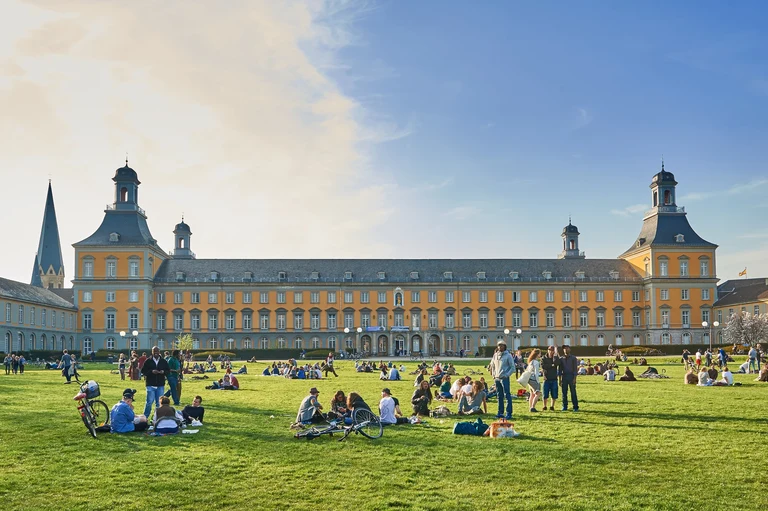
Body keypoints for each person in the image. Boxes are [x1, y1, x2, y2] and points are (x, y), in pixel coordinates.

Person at [140, 346, 170, 417]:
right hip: (150, 384)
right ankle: (145, 417)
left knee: (159, 403)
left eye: (157, 351)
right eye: (154, 351)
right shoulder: (148, 361)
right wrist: (151, 371)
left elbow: (168, 370)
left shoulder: (163, 361)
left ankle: (157, 417)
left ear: (159, 352)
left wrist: (163, 372)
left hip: (160, 384)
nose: (156, 353)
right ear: (152, 352)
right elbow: (143, 371)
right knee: (149, 402)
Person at [490, 340, 514, 419]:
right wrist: (493, 374)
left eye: (502, 345)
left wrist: (507, 375)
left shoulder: (508, 356)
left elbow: (512, 367)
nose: (500, 347)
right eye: (499, 345)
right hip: (497, 378)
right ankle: (500, 412)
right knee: (499, 396)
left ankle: (508, 413)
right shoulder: (495, 355)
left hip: (504, 378)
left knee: (507, 395)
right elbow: (492, 365)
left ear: (505, 346)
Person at [559, 345, 579, 412]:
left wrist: (574, 378)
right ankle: (564, 406)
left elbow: (575, 369)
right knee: (564, 392)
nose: (566, 350)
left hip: (571, 376)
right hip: (564, 376)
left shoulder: (573, 358)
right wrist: (560, 379)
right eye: (564, 349)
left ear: (570, 349)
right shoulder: (561, 359)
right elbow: (560, 370)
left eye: (567, 348)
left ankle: (575, 406)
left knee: (573, 392)